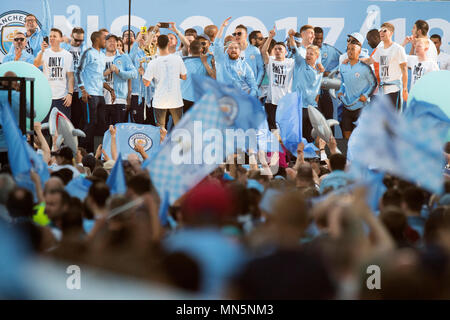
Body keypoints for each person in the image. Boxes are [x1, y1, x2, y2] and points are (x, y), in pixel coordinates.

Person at [143, 34, 187, 128]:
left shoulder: (153, 62)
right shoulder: (177, 59)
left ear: (157, 44)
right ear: (168, 43)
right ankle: (178, 143)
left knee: (161, 129)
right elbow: (184, 77)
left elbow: (146, 83)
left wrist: (142, 72)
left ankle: (162, 143)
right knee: (179, 128)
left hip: (160, 100)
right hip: (176, 100)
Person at [288, 29, 325, 142]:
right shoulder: (300, 62)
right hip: (299, 106)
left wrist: (317, 94)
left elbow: (317, 86)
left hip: (312, 107)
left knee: (311, 135)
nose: (308, 56)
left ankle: (311, 156)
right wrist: (291, 36)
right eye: (307, 53)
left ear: (317, 56)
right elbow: (294, 48)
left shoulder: (320, 70)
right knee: (298, 134)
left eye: (311, 54)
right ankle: (297, 157)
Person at [337, 41, 377, 139]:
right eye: (348, 49)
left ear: (359, 52)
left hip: (361, 107)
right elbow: (343, 82)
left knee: (361, 136)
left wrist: (366, 95)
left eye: (353, 49)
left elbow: (374, 83)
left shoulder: (365, 68)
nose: (350, 51)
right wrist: (340, 91)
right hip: (347, 106)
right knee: (346, 133)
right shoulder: (343, 67)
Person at [76, 31, 108, 152]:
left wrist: (110, 89)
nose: (106, 41)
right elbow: (78, 71)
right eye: (104, 38)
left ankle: (95, 153)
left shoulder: (102, 55)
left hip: (100, 95)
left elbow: (99, 76)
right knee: (90, 123)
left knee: (101, 124)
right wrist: (83, 90)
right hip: (89, 94)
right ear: (97, 40)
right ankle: (80, 152)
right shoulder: (88, 53)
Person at [364, 23, 408, 111]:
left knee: (392, 121)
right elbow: (369, 61)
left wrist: (405, 89)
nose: (381, 33)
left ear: (391, 33)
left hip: (393, 90)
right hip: (382, 91)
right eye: (380, 31)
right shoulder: (379, 49)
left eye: (384, 31)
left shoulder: (398, 49)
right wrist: (353, 60)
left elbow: (404, 69)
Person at [34, 28, 74, 120]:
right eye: (50, 36)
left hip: (63, 97)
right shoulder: (43, 52)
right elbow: (36, 65)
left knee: (62, 128)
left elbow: (70, 77)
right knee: (45, 128)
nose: (51, 38)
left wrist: (70, 94)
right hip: (46, 96)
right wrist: (43, 51)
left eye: (54, 36)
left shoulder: (67, 55)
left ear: (60, 39)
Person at [212, 17, 258, 97]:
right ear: (227, 50)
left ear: (240, 51)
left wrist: (251, 96)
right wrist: (222, 27)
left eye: (236, 48)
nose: (233, 50)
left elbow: (253, 85)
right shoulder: (221, 60)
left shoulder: (244, 66)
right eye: (231, 48)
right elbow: (216, 44)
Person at [261, 27, 295, 130]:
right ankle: (274, 145)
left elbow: (295, 50)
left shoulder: (291, 62)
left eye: (280, 49)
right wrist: (270, 37)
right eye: (275, 49)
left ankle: (285, 145)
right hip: (271, 101)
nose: (277, 51)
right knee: (273, 128)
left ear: (285, 52)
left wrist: (291, 37)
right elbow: (263, 51)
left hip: (286, 102)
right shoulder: (271, 61)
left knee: (285, 127)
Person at [103, 34, 138, 127]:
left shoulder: (124, 57)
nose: (112, 43)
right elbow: (94, 76)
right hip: (102, 99)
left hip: (119, 99)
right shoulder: (99, 57)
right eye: (109, 41)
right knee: (103, 131)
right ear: (105, 43)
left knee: (119, 129)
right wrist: (107, 71)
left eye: (114, 41)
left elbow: (134, 74)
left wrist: (119, 71)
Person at [61, 27, 87, 129]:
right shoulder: (63, 48)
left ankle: (75, 143)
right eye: (76, 40)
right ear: (71, 35)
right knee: (65, 119)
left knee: (77, 119)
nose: (79, 43)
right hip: (66, 90)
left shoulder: (85, 50)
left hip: (79, 90)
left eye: (81, 40)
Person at [314, 27, 341, 120]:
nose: (318, 41)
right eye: (316, 38)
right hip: (311, 89)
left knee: (329, 115)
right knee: (316, 117)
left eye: (321, 38)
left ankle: (330, 135)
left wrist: (333, 71)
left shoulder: (329, 50)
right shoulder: (307, 50)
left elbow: (343, 59)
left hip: (325, 88)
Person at [181, 40, 215, 113]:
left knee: (183, 122)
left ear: (189, 50)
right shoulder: (210, 58)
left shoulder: (182, 61)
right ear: (202, 49)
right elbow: (214, 76)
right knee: (197, 123)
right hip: (199, 98)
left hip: (184, 98)